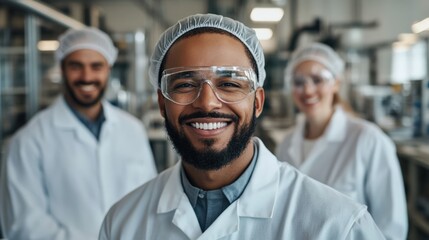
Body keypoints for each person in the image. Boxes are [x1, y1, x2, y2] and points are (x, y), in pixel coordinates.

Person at [99, 14, 385, 240]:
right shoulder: (123, 224)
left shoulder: (338, 226)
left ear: (258, 102)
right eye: (185, 84)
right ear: (162, 103)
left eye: (230, 84)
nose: (207, 102)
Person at [0, 27, 158, 240]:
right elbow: (25, 225)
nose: (87, 76)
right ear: (62, 69)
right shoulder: (28, 141)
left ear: (108, 69)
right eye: (76, 66)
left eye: (96, 66)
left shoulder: (133, 130)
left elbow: (150, 201)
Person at [276, 42, 408, 240]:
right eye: (298, 82)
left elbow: (391, 228)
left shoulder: (369, 140)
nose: (308, 90)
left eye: (317, 79)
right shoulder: (286, 145)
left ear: (336, 83)